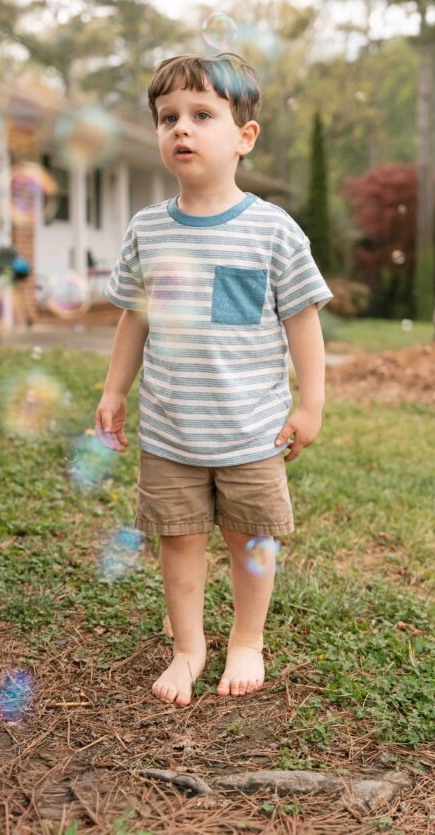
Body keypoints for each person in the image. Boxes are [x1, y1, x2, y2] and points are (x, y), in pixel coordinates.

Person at [95, 53, 333, 707]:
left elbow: (304, 323)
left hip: (251, 432)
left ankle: (247, 640)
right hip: (170, 430)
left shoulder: (272, 230)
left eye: (202, 115)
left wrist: (311, 404)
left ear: (244, 137)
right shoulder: (148, 229)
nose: (181, 128)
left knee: (252, 540)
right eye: (167, 117)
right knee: (179, 540)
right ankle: (188, 647)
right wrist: (114, 390)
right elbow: (134, 319)